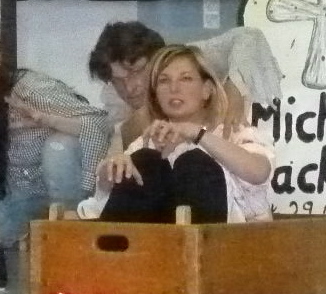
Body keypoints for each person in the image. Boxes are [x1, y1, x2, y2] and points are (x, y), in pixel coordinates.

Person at [0, 27, 112, 249]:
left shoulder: (27, 88)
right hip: (19, 194)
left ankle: (74, 227)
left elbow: (99, 124)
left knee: (59, 146)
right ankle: (25, 245)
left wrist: (48, 120)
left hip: (66, 190)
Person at [81, 45, 273, 224]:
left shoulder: (232, 131)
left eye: (185, 78)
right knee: (145, 160)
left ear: (207, 90)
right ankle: (117, 248)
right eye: (164, 81)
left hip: (229, 242)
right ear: (156, 94)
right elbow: (103, 198)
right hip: (156, 241)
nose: (174, 88)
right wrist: (112, 170)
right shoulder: (146, 142)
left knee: (193, 162)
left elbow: (259, 172)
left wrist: (196, 133)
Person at [88, 21, 281, 145]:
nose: (129, 88)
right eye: (117, 80)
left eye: (137, 71)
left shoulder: (185, 59)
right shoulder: (114, 96)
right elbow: (120, 141)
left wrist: (236, 86)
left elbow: (249, 36)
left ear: (159, 57)